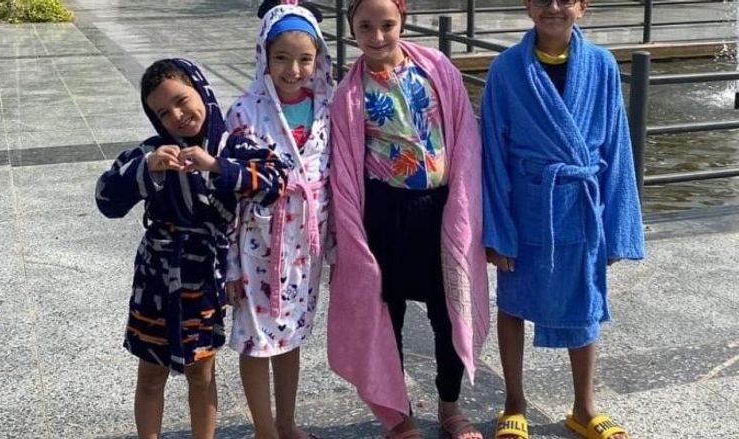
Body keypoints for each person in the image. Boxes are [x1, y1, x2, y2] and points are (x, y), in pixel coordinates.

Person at [95, 58, 288, 439]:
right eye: (163, 113)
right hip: (156, 276)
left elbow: (276, 179)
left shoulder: (234, 146)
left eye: (182, 100)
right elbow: (106, 199)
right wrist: (146, 168)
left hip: (203, 278)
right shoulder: (152, 151)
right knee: (151, 374)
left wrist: (217, 166)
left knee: (201, 373)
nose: (178, 116)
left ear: (201, 90)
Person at [480, 1, 645, 438]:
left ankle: (584, 407)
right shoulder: (506, 69)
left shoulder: (602, 65)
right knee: (513, 301)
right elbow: (492, 152)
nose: (554, 7)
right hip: (526, 205)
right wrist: (497, 229)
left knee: (585, 300)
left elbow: (617, 147)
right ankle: (514, 402)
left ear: (582, 7)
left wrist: (617, 229)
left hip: (581, 206)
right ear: (527, 5)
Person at [326, 1, 489, 438]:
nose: (377, 36)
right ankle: (400, 414)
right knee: (386, 316)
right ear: (351, 28)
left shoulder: (436, 68)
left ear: (403, 21)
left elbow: (465, 135)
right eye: (366, 26)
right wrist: (348, 234)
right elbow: (343, 168)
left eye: (387, 25)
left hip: (440, 208)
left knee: (449, 310)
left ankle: (450, 405)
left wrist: (468, 204)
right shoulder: (348, 94)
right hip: (383, 212)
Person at [223, 1, 334, 438]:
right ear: (264, 57)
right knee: (255, 341)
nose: (293, 70)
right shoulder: (245, 111)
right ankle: (265, 430)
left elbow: (337, 179)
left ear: (318, 59)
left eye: (305, 59)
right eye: (282, 58)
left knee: (291, 334)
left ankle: (287, 424)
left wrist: (339, 247)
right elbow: (228, 195)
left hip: (305, 247)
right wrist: (230, 265)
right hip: (257, 245)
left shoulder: (326, 108)